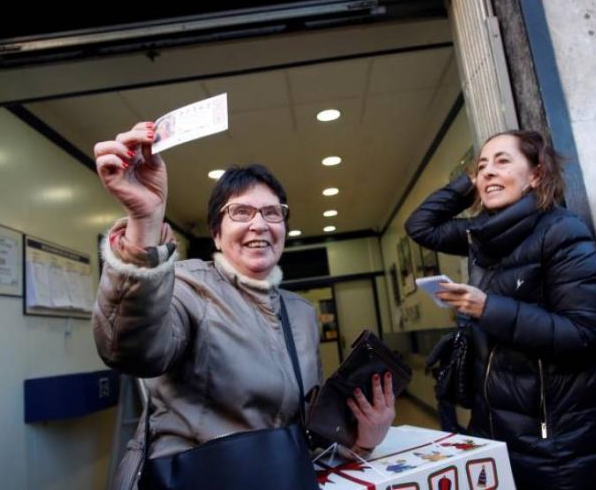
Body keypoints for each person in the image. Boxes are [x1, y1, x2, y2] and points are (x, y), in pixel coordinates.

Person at [93, 122, 395, 489]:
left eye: (272, 213)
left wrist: (364, 437)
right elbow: (130, 350)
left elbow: (304, 433)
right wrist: (144, 222)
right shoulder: (188, 285)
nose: (259, 224)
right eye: (240, 212)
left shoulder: (299, 313)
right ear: (217, 235)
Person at [405, 130, 596, 489]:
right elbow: (421, 227)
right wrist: (471, 182)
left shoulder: (562, 231)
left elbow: (586, 335)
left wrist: (488, 308)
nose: (487, 172)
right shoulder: (481, 236)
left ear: (536, 175)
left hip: (556, 441)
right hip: (495, 430)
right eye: (482, 165)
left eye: (502, 161)